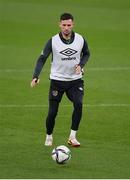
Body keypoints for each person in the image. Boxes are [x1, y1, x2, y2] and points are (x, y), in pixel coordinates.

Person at [31, 13, 90, 147]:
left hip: (75, 81)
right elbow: (42, 58)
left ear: (73, 24)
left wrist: (81, 65)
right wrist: (36, 76)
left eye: (69, 25)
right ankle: (49, 135)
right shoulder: (53, 41)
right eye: (64, 25)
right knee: (52, 112)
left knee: (79, 104)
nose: (66, 28)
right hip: (57, 81)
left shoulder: (80, 39)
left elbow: (87, 53)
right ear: (59, 25)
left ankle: (72, 137)